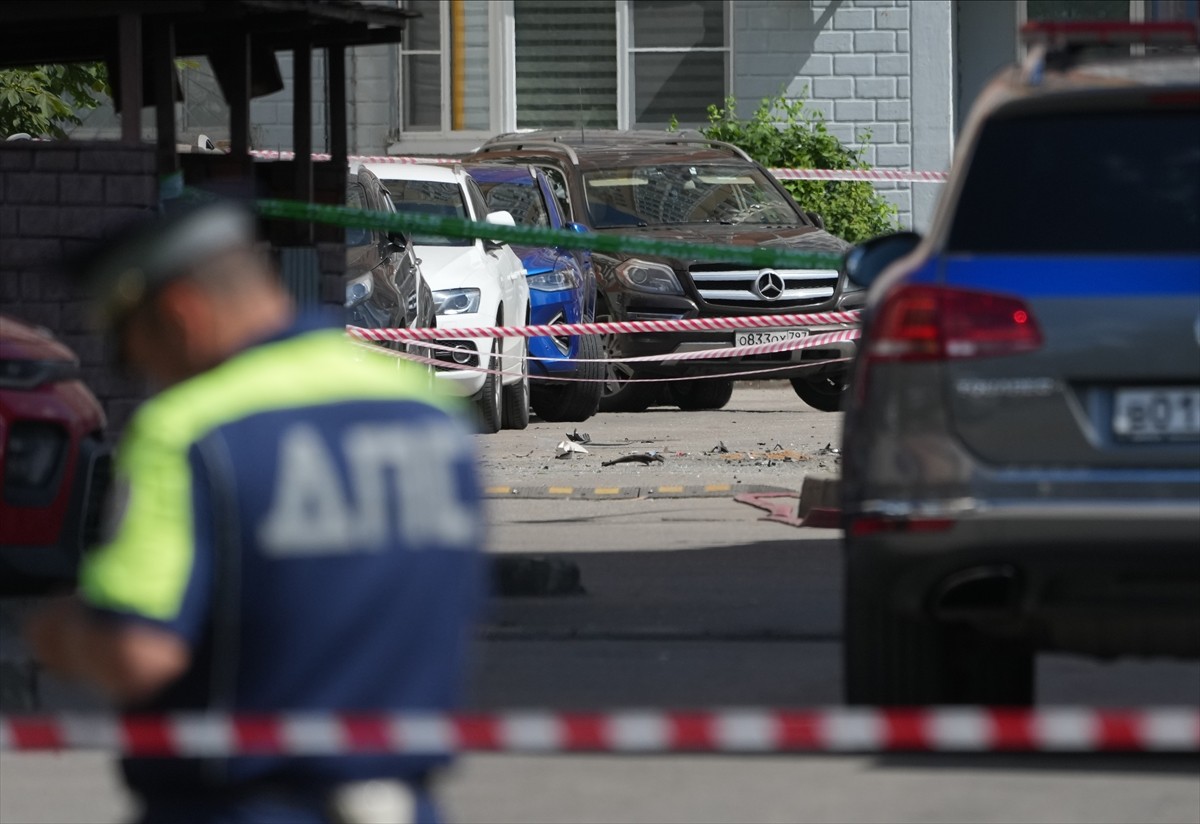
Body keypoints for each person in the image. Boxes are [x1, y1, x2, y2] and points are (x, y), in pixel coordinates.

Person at [25, 200, 485, 824]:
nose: (145, 376)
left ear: (181, 315)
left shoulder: (193, 430)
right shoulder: (426, 415)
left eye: (132, 352)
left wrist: (61, 635)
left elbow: (140, 651)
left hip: (238, 807)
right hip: (403, 801)